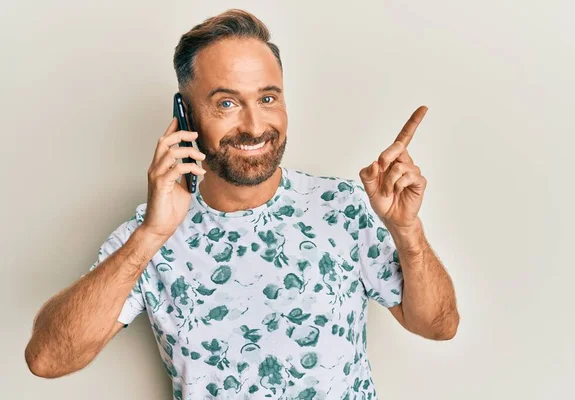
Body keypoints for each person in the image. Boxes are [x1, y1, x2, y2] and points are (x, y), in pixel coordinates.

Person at [25, 9, 459, 400]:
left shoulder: (344, 206)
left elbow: (438, 326)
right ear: (186, 117)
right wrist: (151, 236)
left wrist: (407, 231)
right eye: (227, 103)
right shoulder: (147, 237)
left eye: (268, 98)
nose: (254, 126)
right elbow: (47, 360)